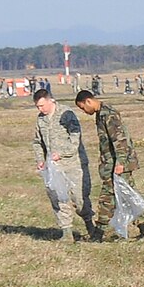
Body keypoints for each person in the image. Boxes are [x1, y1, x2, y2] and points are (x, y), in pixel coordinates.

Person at [77, 90, 144, 240]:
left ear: (89, 101)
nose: (84, 111)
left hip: (117, 164)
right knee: (129, 196)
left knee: (107, 196)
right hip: (113, 163)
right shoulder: (100, 113)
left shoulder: (107, 114)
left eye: (83, 107)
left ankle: (98, 233)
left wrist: (120, 162)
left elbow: (119, 139)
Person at [32, 88, 94, 241]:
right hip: (55, 168)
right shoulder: (41, 120)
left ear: (50, 100)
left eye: (42, 105)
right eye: (38, 107)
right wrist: (40, 160)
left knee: (80, 199)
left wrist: (62, 153)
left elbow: (75, 138)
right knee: (59, 199)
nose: (41, 109)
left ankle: (91, 227)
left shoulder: (66, 114)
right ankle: (67, 233)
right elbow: (37, 142)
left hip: (74, 164)